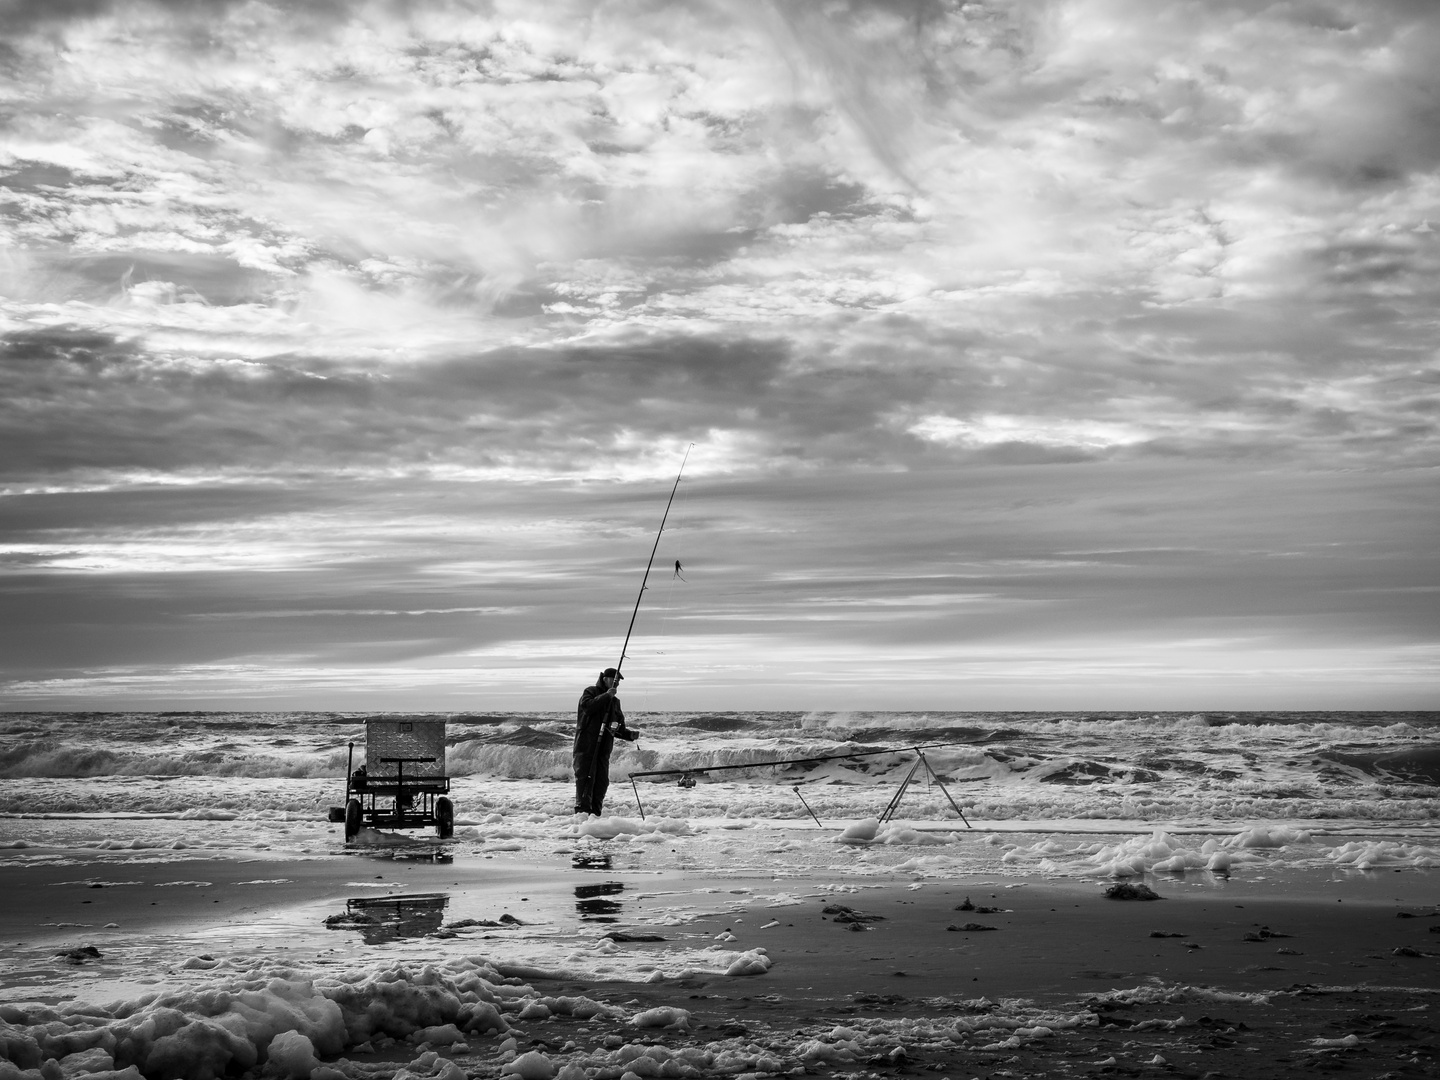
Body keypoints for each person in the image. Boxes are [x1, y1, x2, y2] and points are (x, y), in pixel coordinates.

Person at [573, 667, 638, 816]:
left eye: (618, 682)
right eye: (614, 680)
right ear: (605, 679)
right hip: (586, 747)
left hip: (604, 750)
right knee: (585, 781)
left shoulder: (615, 702)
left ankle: (595, 817)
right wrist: (606, 696)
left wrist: (629, 735)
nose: (616, 684)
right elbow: (588, 707)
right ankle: (581, 818)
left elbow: (618, 728)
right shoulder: (589, 692)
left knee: (601, 783)